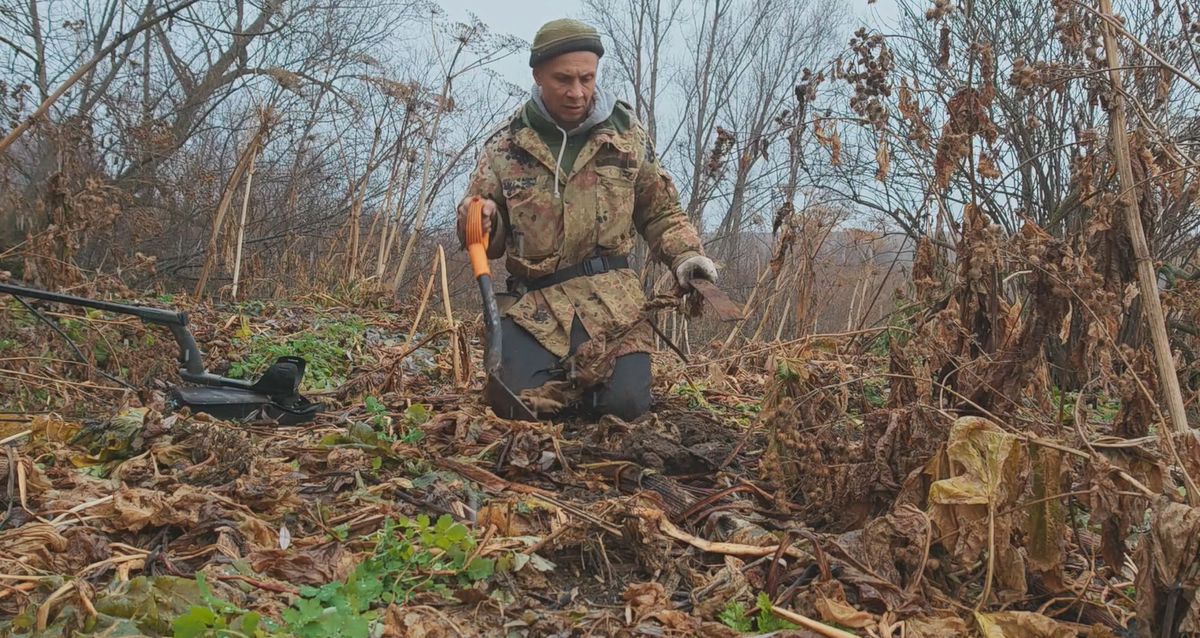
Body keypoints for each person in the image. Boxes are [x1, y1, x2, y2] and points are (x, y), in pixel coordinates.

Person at [456, 18, 716, 421]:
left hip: (614, 302)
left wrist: (688, 257)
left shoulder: (627, 136)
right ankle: (568, 387)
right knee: (512, 401)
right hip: (534, 305)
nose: (577, 92)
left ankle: (593, 388)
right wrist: (482, 218)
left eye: (587, 78)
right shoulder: (504, 147)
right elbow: (485, 243)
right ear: (537, 75)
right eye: (563, 79)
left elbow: (660, 211)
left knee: (625, 406)